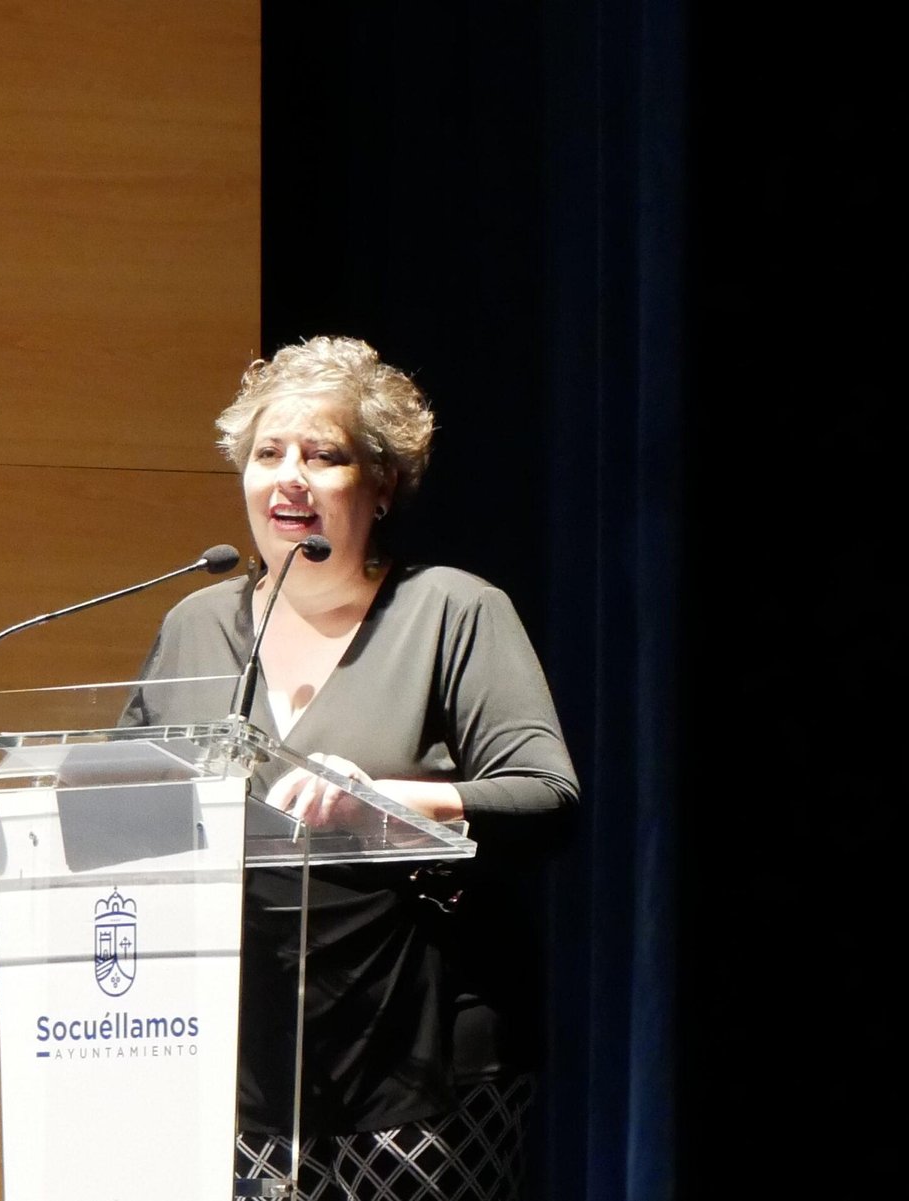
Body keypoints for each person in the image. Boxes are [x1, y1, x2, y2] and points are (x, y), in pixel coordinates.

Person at [133, 336, 578, 1201]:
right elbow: (125, 807)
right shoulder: (198, 624)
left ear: (381, 485)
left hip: (423, 1055)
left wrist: (383, 801)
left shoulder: (451, 611)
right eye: (269, 453)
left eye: (324, 455)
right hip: (242, 1054)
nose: (290, 478)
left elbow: (547, 798)